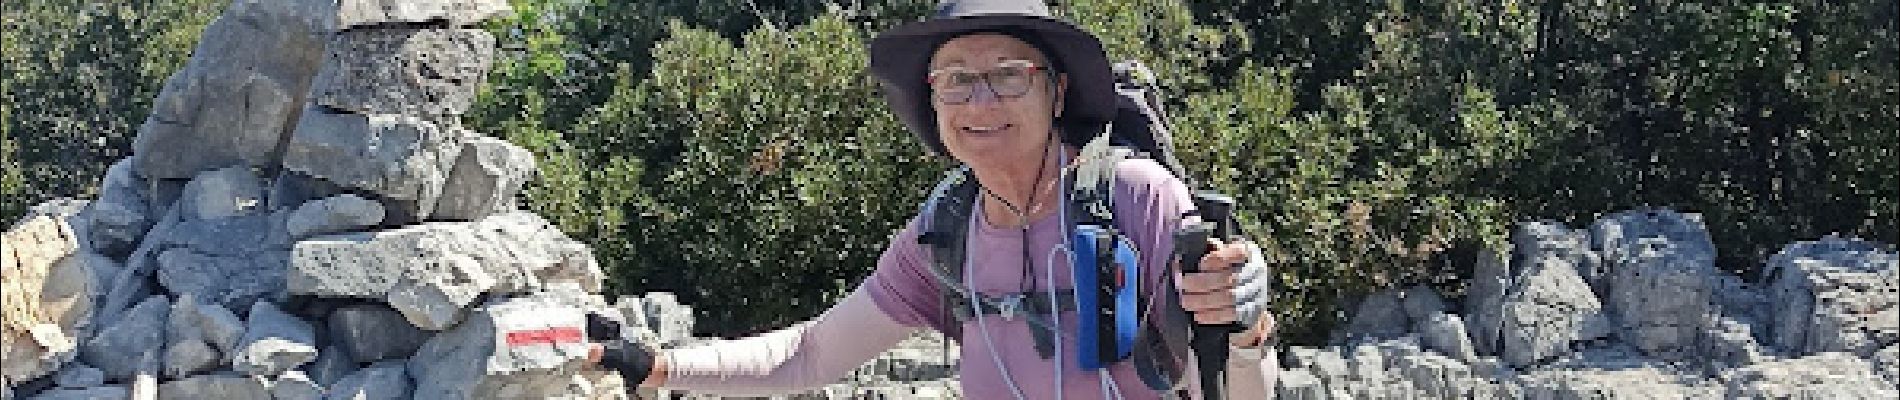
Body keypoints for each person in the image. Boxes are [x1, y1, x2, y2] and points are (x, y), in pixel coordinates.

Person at [587, 1, 1278, 398]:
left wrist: (1244, 328)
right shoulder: (945, 232)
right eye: (954, 80)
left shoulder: (1133, 198)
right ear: (933, 104)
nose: (980, 101)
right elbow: (808, 354)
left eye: (1008, 75)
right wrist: (663, 368)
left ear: (1057, 91)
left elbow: (1235, 383)